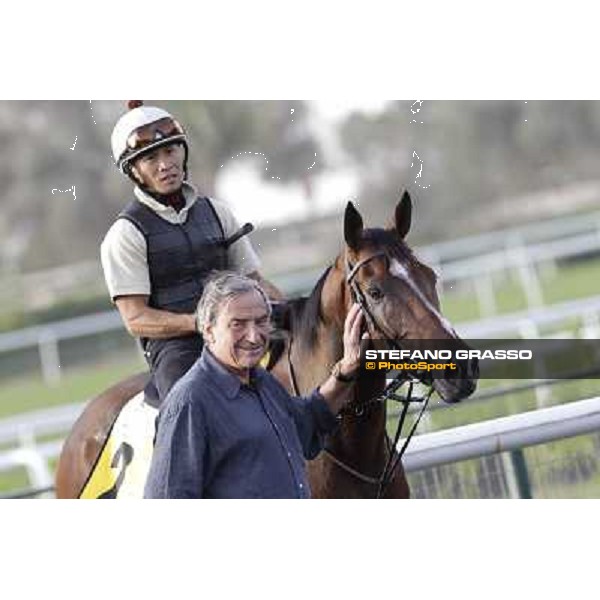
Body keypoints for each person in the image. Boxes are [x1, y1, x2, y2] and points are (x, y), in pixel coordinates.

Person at [101, 101, 283, 406]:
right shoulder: (124, 235)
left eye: (170, 151)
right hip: (177, 350)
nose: (165, 164)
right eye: (151, 158)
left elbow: (255, 281)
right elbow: (136, 319)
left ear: (182, 152)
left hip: (239, 332)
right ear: (133, 170)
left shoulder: (217, 212)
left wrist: (295, 311)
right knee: (188, 405)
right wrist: (200, 324)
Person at [144, 272, 367, 499]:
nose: (253, 336)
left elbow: (303, 425)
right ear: (208, 331)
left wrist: (346, 368)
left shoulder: (261, 381)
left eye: (261, 322)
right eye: (237, 324)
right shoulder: (189, 402)